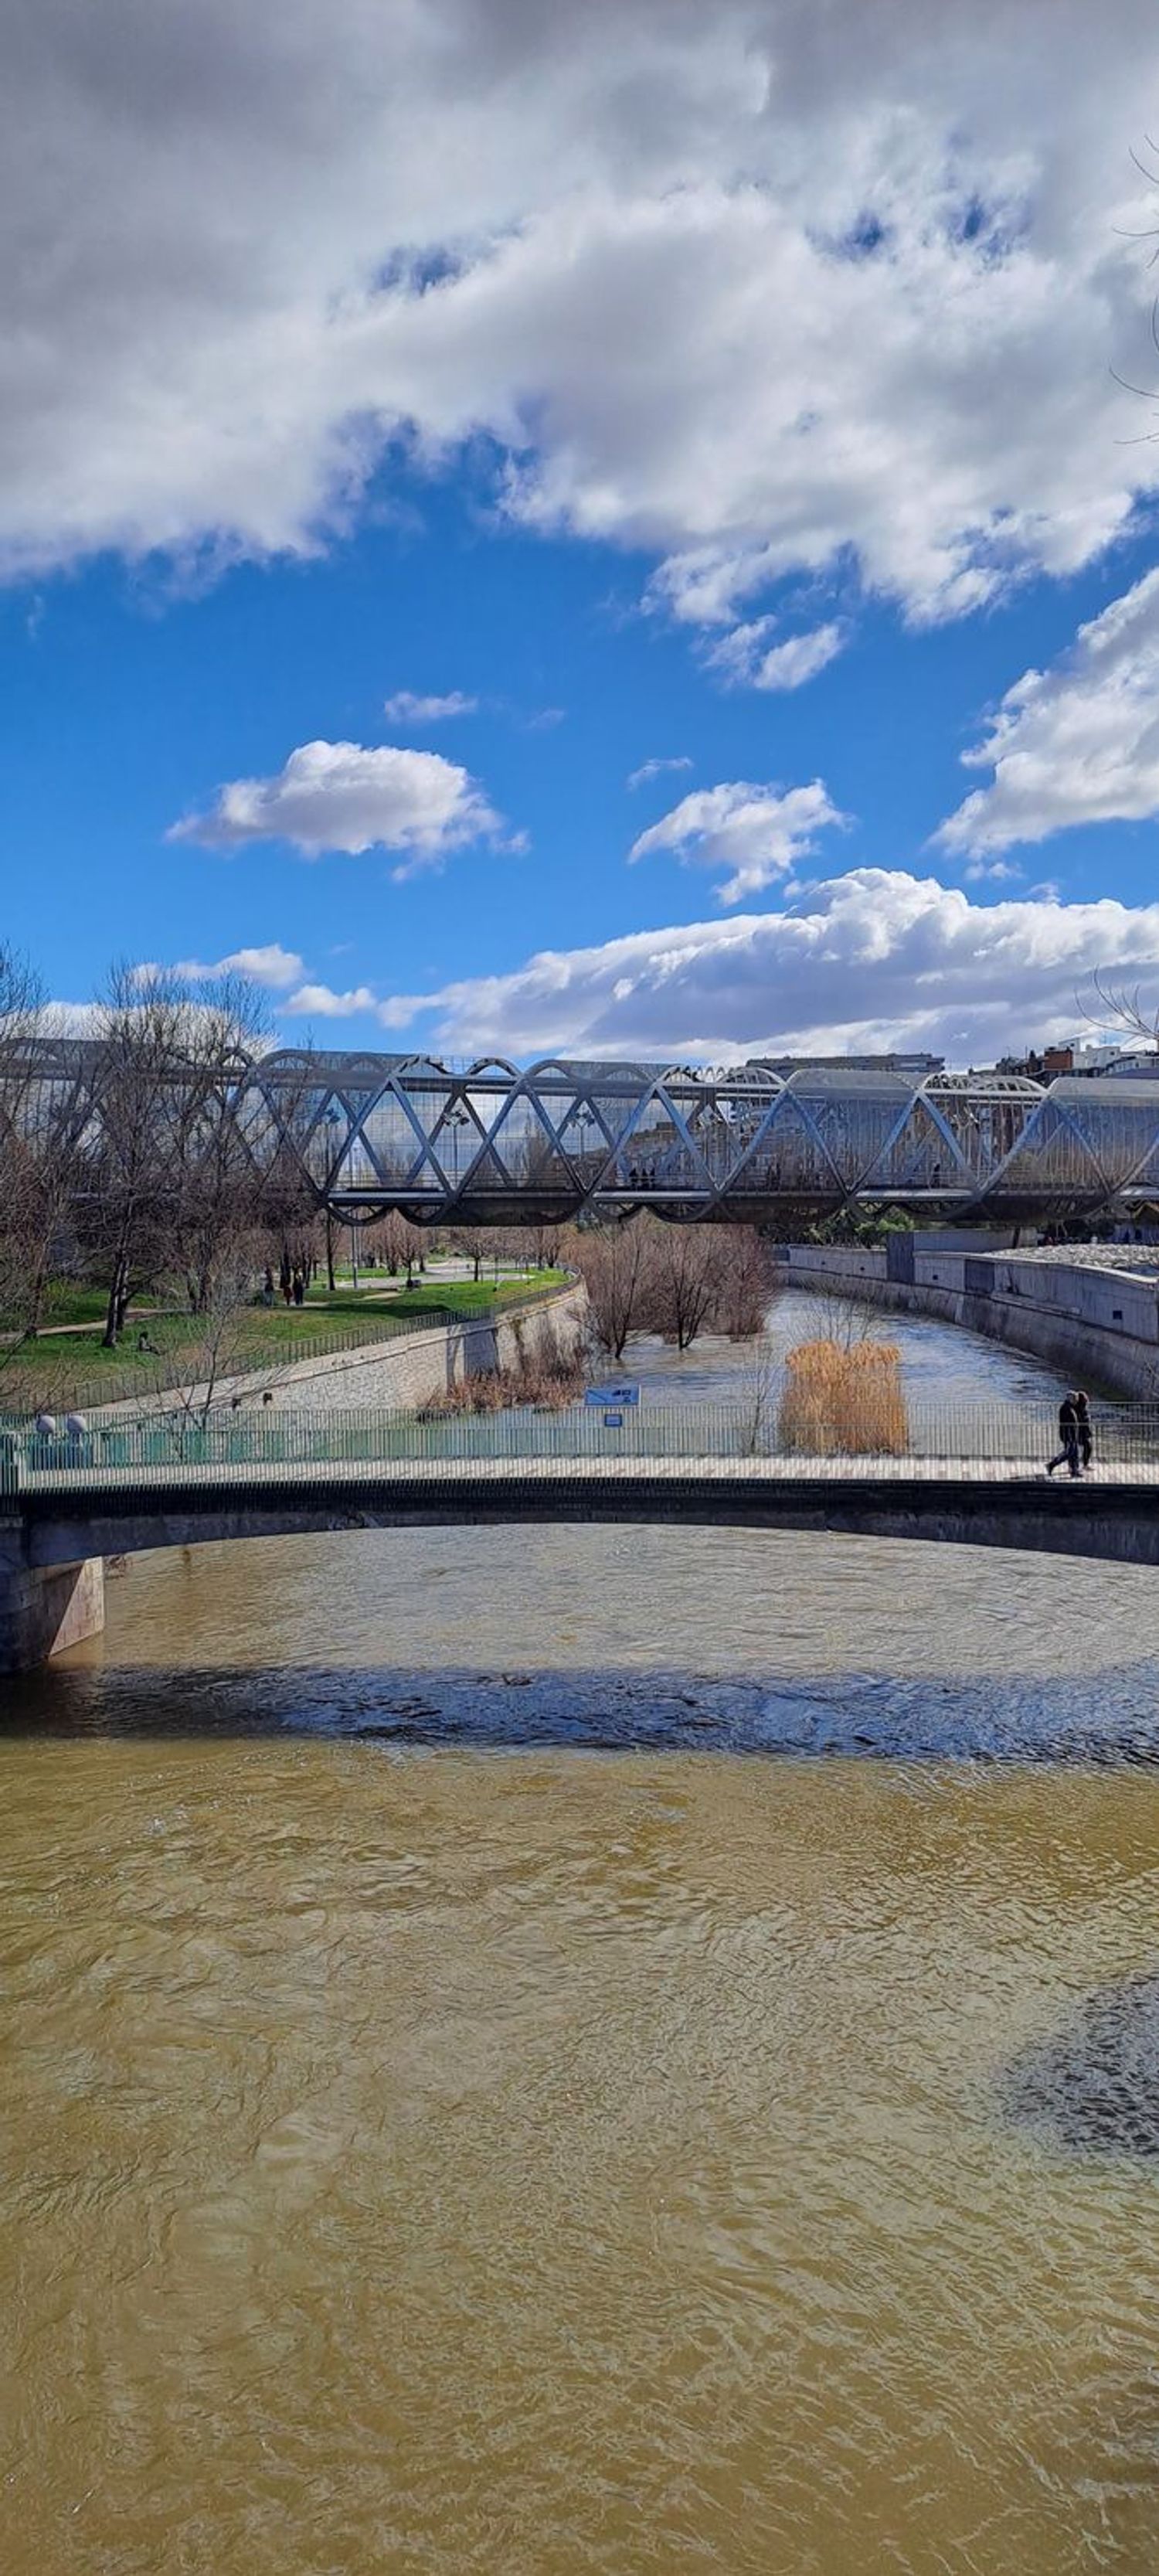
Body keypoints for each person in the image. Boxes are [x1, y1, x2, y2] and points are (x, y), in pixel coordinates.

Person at [1046, 1391, 1082, 1479]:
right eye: (1075, 1398)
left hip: (1071, 1434)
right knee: (1069, 1452)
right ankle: (1052, 1464)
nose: (1076, 1400)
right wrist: (1070, 1435)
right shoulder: (1066, 1408)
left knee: (1074, 1453)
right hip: (1069, 1435)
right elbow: (1067, 1424)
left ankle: (1074, 1471)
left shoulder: (1069, 1407)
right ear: (1071, 1399)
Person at [1073, 1389, 1093, 1472]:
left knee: (1077, 1449)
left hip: (1081, 1431)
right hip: (1081, 1432)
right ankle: (1082, 1465)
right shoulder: (1080, 1408)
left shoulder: (1079, 1408)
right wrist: (1087, 1418)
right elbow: (1081, 1419)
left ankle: (1078, 1465)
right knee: (1088, 1447)